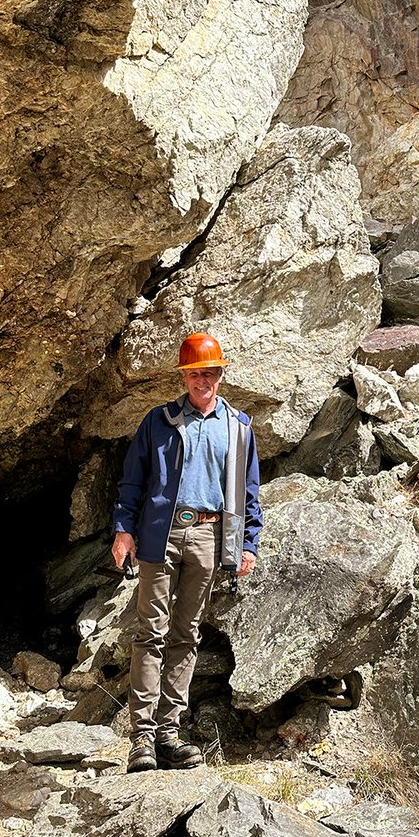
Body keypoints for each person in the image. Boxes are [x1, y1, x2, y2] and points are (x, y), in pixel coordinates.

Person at [111, 331, 263, 772]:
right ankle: (140, 738)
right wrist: (124, 530)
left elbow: (249, 490)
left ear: (220, 375)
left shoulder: (239, 427)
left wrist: (247, 543)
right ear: (185, 375)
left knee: (187, 635)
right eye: (195, 372)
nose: (203, 380)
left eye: (210, 372)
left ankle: (168, 734)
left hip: (209, 538)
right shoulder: (158, 421)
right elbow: (133, 482)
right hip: (160, 535)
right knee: (150, 633)